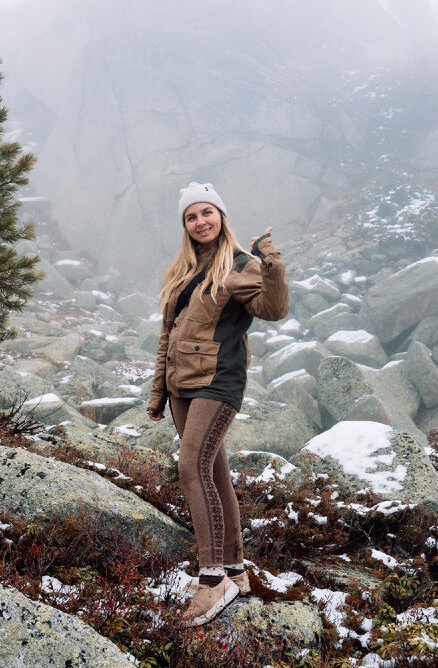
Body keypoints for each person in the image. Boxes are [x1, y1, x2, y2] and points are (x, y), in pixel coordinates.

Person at [147, 181, 289, 627]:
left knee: (191, 467)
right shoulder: (184, 272)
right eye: (191, 216)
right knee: (213, 472)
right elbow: (167, 337)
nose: (200, 221)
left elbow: (273, 308)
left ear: (221, 216)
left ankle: (212, 579)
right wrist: (157, 392)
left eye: (207, 212)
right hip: (181, 387)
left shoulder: (241, 265)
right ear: (185, 225)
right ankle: (236, 570)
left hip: (217, 382)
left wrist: (272, 262)